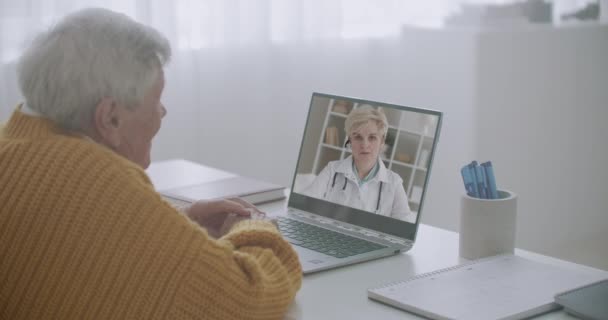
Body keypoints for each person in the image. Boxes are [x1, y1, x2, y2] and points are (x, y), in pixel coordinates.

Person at [0, 8, 301, 320]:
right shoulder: (99, 180)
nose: (163, 112)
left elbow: (79, 238)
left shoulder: (13, 144)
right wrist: (257, 228)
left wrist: (173, 224)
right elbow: (248, 298)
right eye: (156, 100)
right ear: (110, 118)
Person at [303, 105, 412, 220]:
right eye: (358, 137)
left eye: (372, 137)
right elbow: (305, 204)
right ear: (350, 140)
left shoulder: (394, 183)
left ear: (382, 141)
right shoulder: (332, 170)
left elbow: (404, 226)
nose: (364, 145)